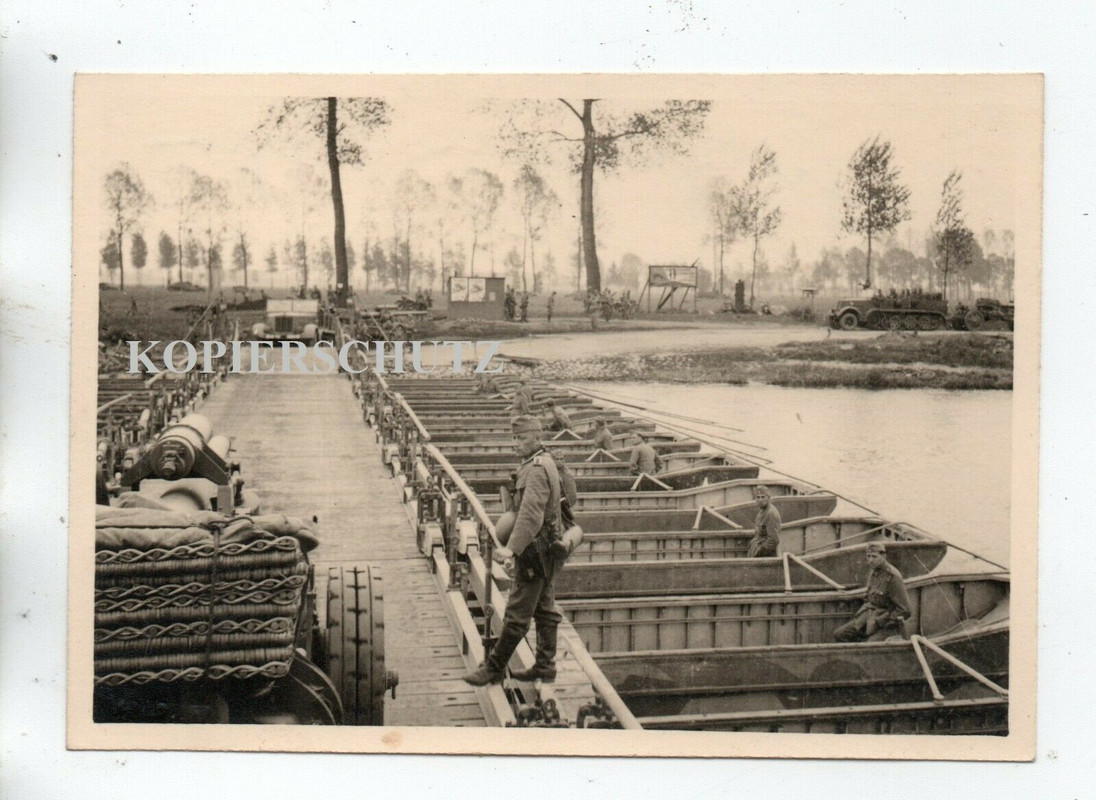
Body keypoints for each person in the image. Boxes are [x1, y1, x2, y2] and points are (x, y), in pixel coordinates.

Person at [464, 416, 564, 685]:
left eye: (520, 438)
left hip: (534, 552)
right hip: (547, 551)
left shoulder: (536, 469)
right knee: (545, 609)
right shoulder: (543, 462)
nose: (515, 443)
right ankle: (545, 666)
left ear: (537, 437)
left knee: (517, 612)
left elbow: (531, 514)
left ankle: (495, 667)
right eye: (514, 438)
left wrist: (511, 549)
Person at [833, 543, 912, 642]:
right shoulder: (874, 571)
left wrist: (882, 622)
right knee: (840, 634)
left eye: (874, 556)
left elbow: (905, 610)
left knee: (868, 645)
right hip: (869, 618)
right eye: (868, 556)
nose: (870, 560)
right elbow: (870, 597)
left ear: (883, 556)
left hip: (887, 626)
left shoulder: (892, 577)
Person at [747, 485, 781, 557]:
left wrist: (758, 551)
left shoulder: (771, 513)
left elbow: (773, 540)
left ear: (768, 498)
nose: (760, 500)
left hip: (766, 555)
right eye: (758, 497)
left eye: (763, 497)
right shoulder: (763, 511)